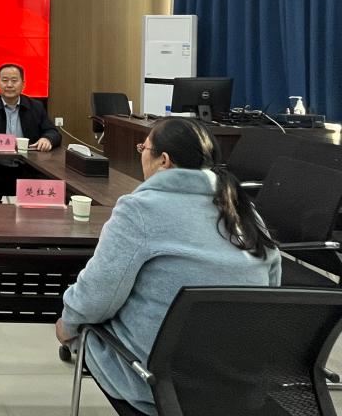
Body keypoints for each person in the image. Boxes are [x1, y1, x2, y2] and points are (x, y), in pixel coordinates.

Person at [56, 118, 281, 415]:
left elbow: (98, 296)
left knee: (85, 323)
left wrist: (68, 324)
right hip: (238, 384)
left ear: (164, 160)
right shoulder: (242, 208)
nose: (141, 155)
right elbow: (271, 287)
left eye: (143, 148)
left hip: (157, 384)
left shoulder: (139, 209)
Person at [0, 63, 61, 200]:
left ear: (23, 84)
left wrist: (48, 139)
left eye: (14, 80)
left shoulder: (35, 106)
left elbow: (52, 131)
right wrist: (9, 142)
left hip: (29, 167)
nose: (9, 85)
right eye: (5, 80)